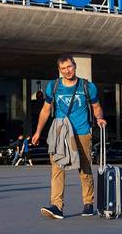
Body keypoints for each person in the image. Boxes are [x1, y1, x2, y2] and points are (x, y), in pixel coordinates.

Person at [32, 54, 107, 219]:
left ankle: (88, 203)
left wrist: (99, 118)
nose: (67, 71)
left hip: (81, 131)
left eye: (70, 67)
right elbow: (45, 109)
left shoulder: (87, 86)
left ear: (75, 66)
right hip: (60, 132)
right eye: (63, 68)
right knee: (57, 168)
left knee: (85, 167)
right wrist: (38, 131)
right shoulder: (53, 86)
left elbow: (96, 107)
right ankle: (56, 206)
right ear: (59, 70)